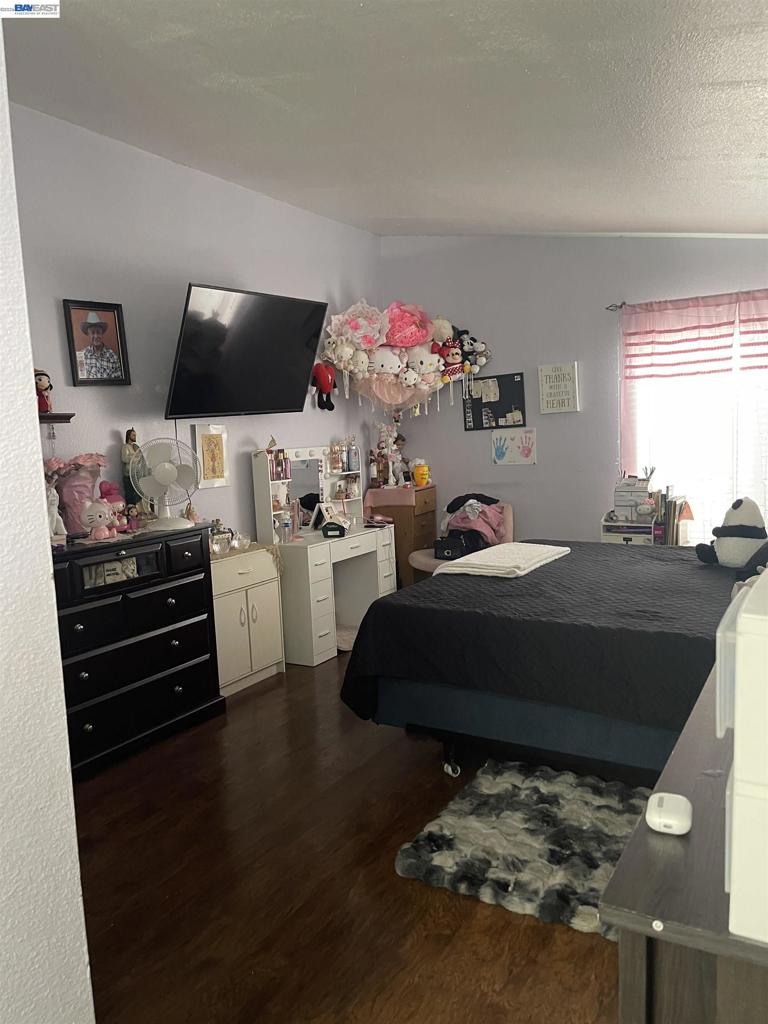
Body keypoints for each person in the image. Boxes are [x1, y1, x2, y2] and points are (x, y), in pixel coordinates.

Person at [79, 311, 121, 379]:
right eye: (92, 333)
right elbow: (80, 381)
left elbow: (119, 381)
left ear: (102, 333)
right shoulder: (82, 356)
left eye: (98, 332)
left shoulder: (113, 357)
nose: (96, 336)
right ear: (88, 334)